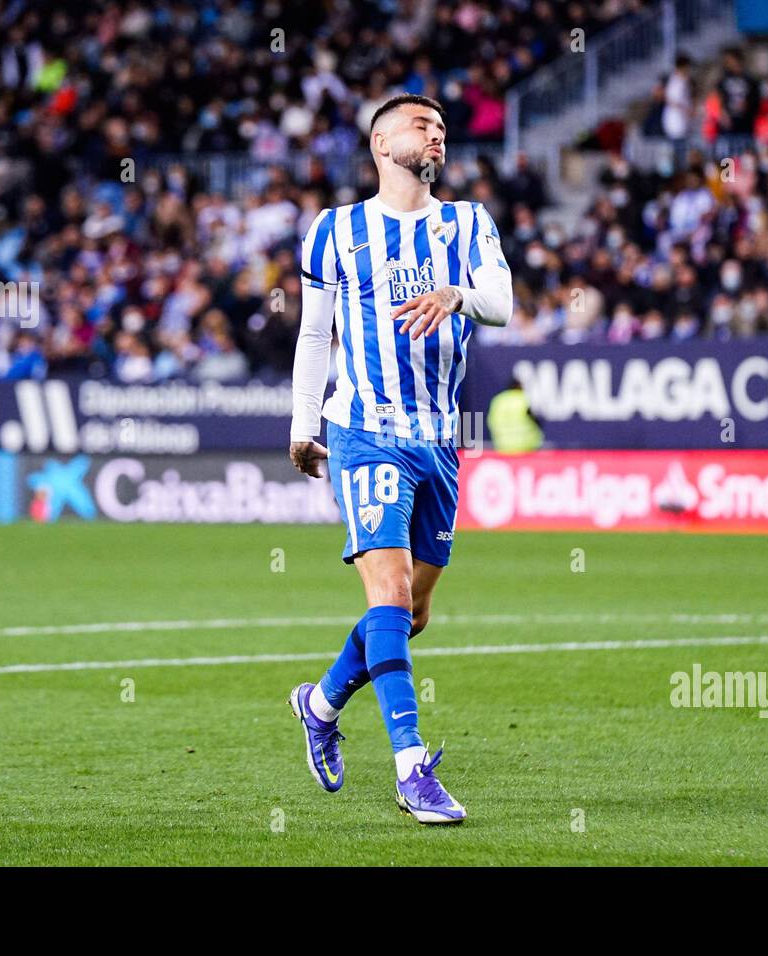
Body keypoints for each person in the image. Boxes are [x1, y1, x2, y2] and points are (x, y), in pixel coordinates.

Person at [286, 93, 513, 824]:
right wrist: (301, 422)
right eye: (423, 125)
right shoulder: (335, 231)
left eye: (442, 127)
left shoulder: (468, 222)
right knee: (384, 593)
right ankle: (412, 768)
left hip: (439, 438)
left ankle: (319, 704)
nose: (437, 135)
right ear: (382, 142)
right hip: (363, 428)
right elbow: (315, 336)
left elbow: (503, 304)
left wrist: (457, 294)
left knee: (412, 613)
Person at [487, 376, 543, 453]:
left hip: (503, 446)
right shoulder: (524, 399)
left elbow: (491, 421)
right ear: (519, 386)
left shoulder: (498, 400)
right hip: (525, 446)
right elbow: (535, 420)